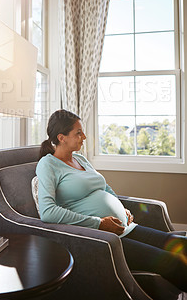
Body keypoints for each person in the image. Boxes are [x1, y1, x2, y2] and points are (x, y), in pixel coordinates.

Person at [36, 109, 187, 292]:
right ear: (62, 137)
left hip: (126, 228)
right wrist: (99, 223)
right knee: (172, 263)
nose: (84, 136)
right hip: (104, 239)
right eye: (78, 133)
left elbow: (104, 187)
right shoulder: (48, 165)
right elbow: (48, 212)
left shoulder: (80, 159)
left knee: (182, 244)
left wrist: (121, 208)